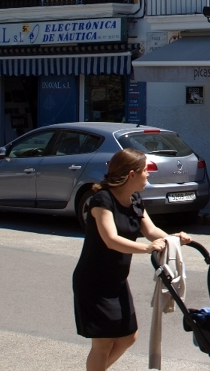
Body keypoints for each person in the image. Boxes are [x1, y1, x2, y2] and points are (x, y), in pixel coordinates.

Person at [73, 148, 191, 371]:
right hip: (93, 282)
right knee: (103, 342)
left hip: (116, 281)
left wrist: (173, 238)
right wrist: (147, 249)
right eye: (145, 170)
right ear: (131, 174)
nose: (148, 174)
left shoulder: (135, 199)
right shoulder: (102, 200)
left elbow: (151, 230)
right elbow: (111, 239)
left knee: (128, 337)